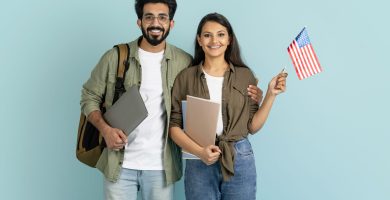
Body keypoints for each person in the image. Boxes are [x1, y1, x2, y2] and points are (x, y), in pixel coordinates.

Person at [80, 1, 263, 200]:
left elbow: (210, 92)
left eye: (162, 17)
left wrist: (253, 97)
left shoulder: (184, 62)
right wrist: (106, 130)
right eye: (149, 17)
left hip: (161, 168)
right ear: (139, 22)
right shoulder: (115, 57)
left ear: (171, 23)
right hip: (118, 164)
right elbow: (89, 97)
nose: (155, 23)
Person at [169, 13, 288, 200]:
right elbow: (174, 126)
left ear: (229, 39)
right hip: (198, 158)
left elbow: (252, 127)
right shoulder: (185, 77)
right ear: (199, 40)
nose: (214, 40)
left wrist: (271, 94)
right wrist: (200, 152)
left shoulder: (244, 75)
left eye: (221, 34)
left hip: (240, 158)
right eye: (207, 35)